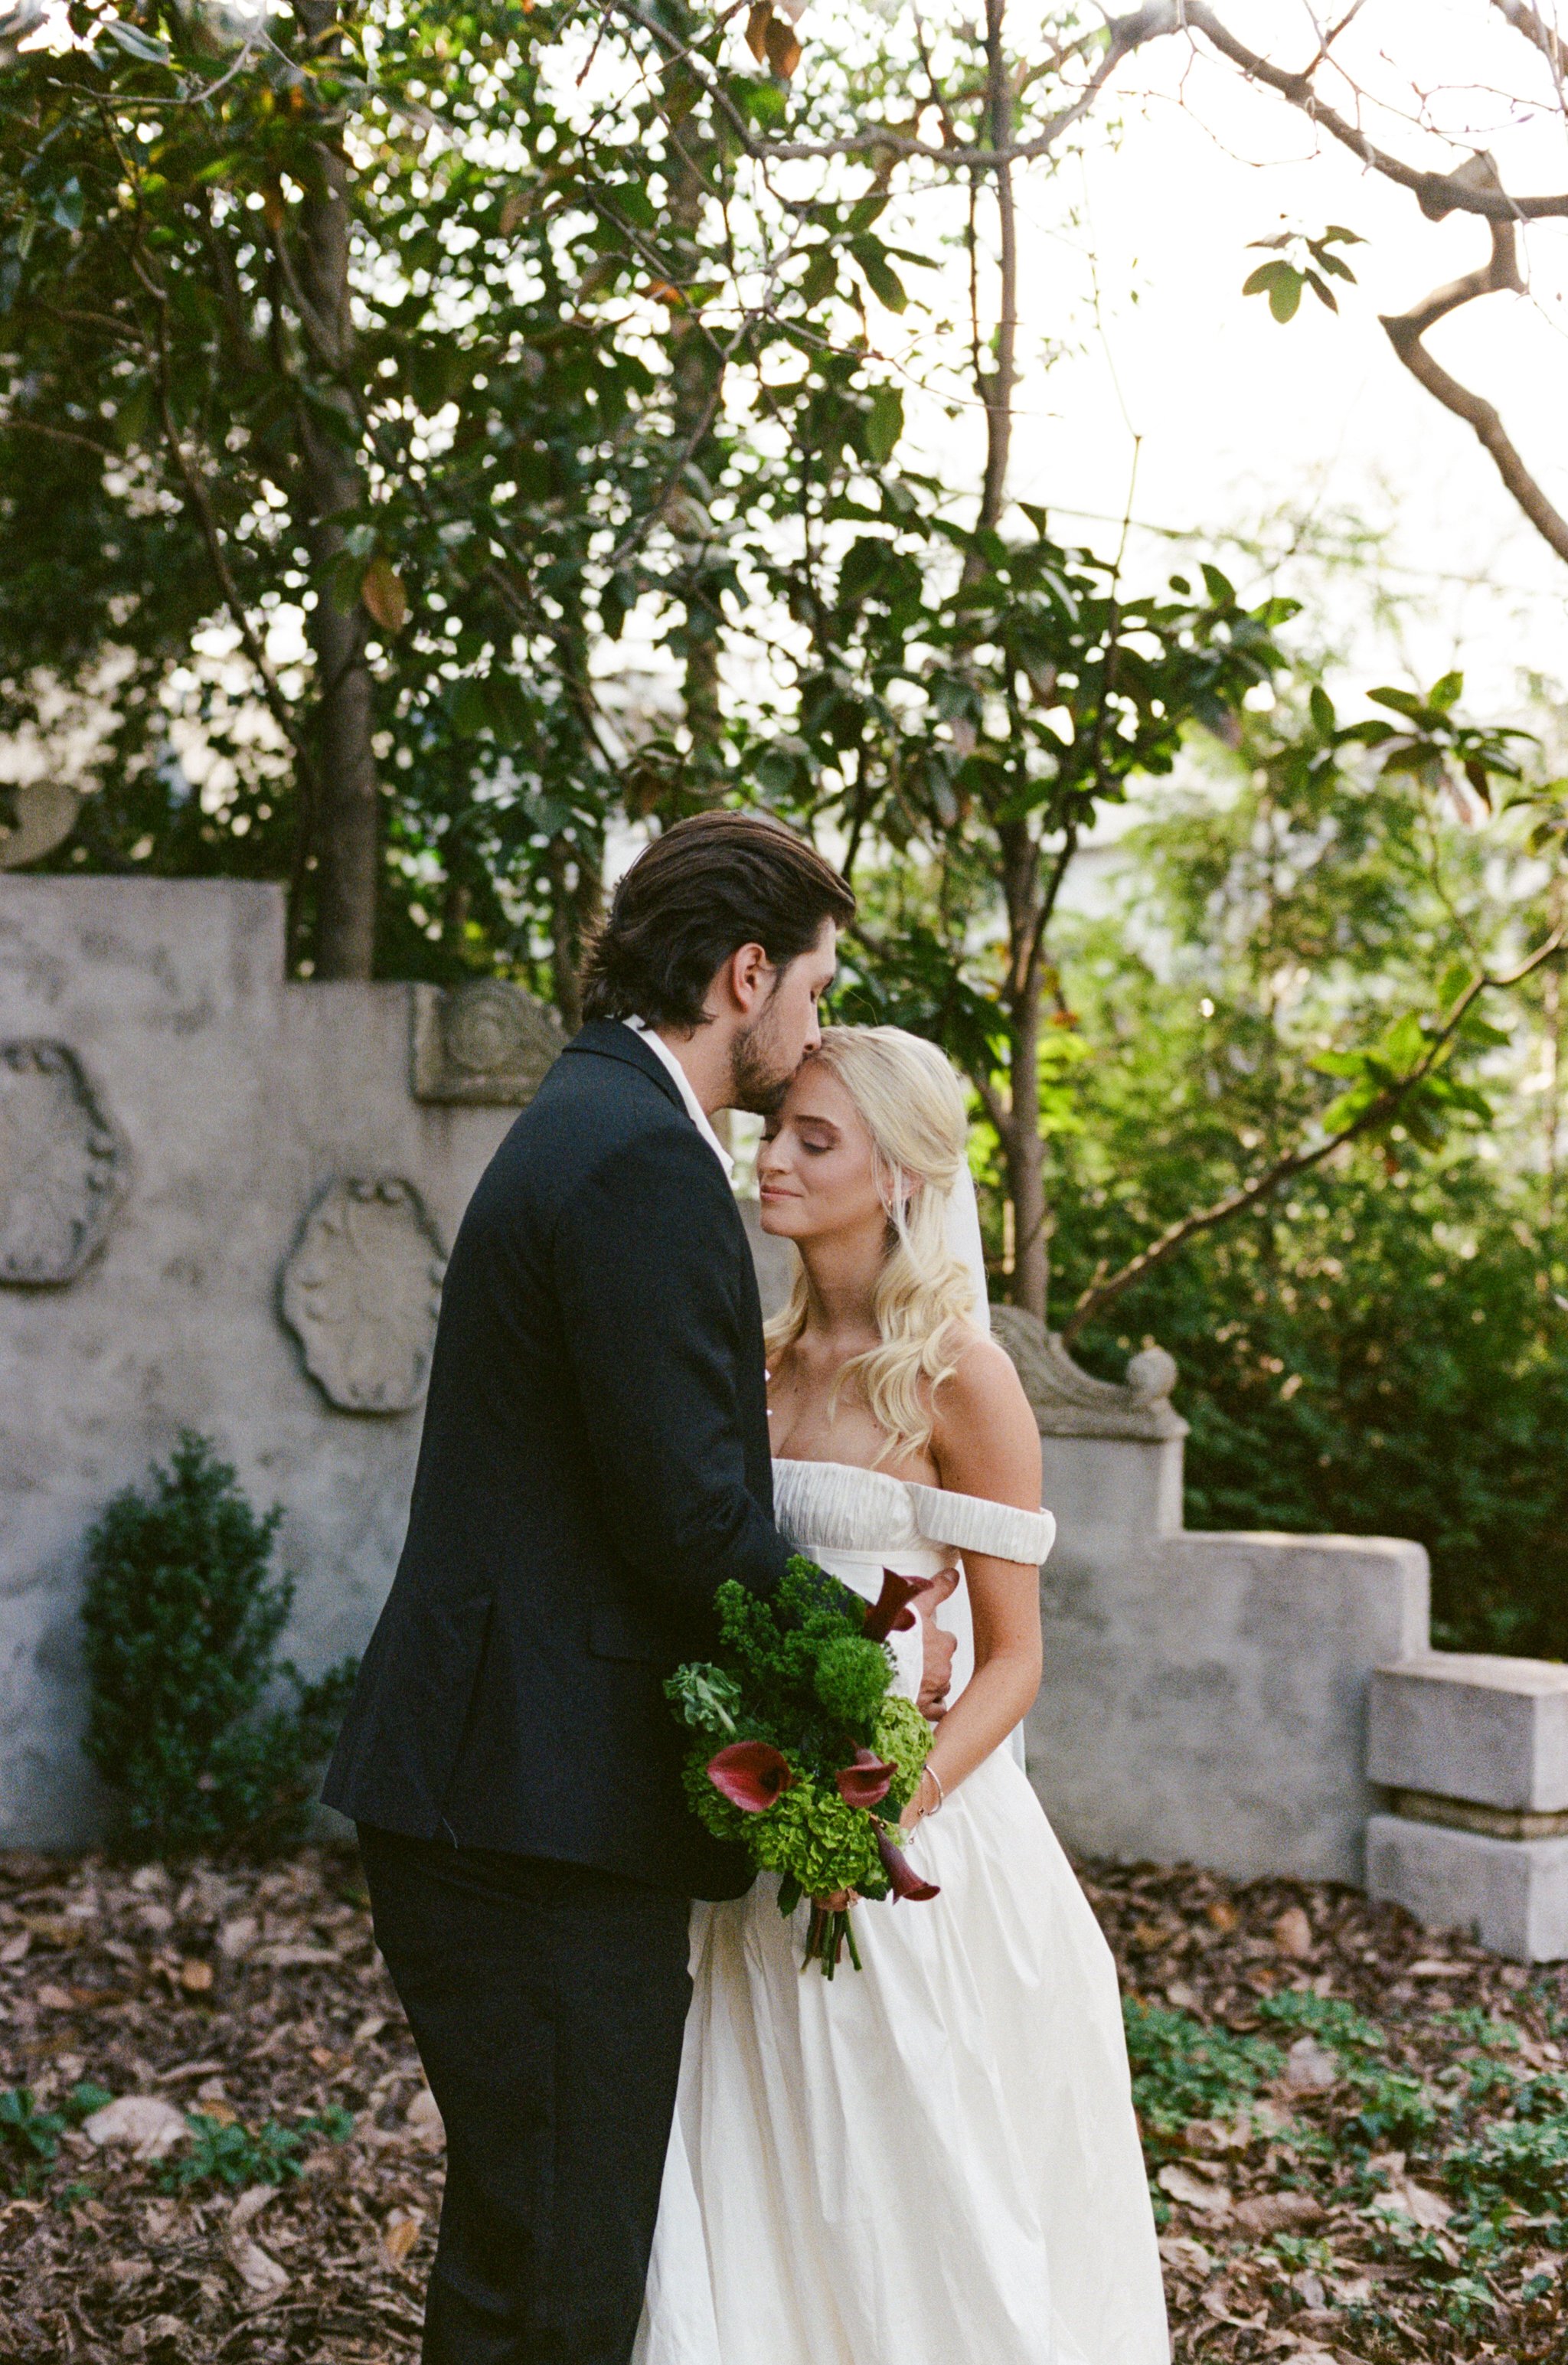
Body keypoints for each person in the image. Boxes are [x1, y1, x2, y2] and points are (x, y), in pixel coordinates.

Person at [322, 814, 956, 2365]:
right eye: (810, 990)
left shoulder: (586, 1119)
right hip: (534, 1815)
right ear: (746, 975)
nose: (813, 1027)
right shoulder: (642, 1165)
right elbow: (689, 1525)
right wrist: (854, 1679)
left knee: (529, 2243)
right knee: (557, 2282)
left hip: (508, 1793)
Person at [634, 1025, 1169, 2365]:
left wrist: (882, 1810)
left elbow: (1014, 1658)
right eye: (777, 1128)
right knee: (763, 2189)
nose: (776, 1157)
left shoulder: (960, 1376)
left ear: (902, 1178)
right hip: (752, 1841)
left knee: (906, 2202)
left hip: (906, 1847)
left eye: (819, 1139)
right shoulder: (748, 1365)